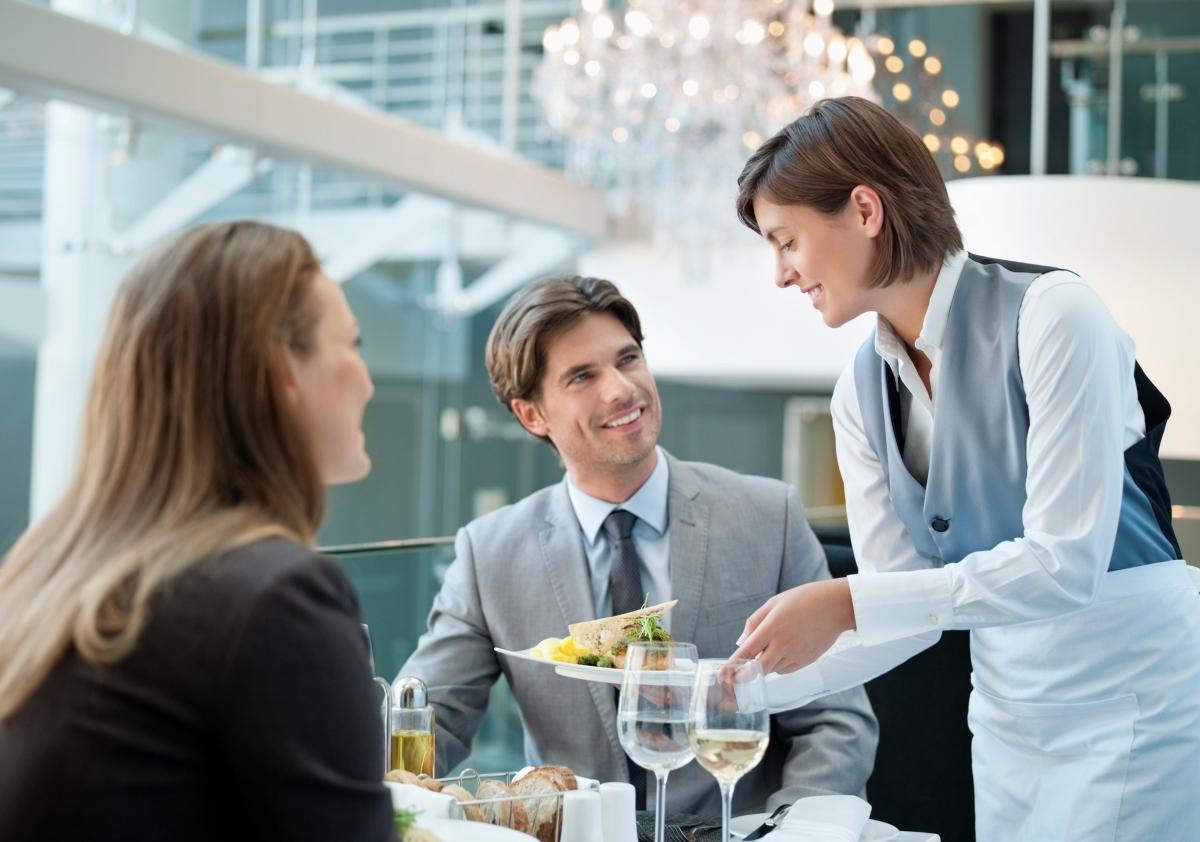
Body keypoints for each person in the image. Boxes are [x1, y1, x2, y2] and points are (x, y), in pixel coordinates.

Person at [729, 96, 1200, 841]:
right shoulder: (860, 387)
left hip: (1131, 698)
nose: (782, 274)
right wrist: (736, 685)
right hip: (1009, 712)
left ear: (863, 209)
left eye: (787, 240)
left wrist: (847, 601)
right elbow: (900, 611)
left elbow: (1063, 566)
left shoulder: (1053, 315)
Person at [399, 276, 877, 816]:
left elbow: (834, 720)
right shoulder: (489, 554)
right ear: (531, 414)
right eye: (583, 376)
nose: (621, 389)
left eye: (627, 360)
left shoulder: (770, 518)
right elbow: (426, 720)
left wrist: (791, 832)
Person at [0, 221, 394, 841]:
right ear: (281, 369)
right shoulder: (275, 598)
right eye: (354, 342)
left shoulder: (51, 572)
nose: (368, 380)